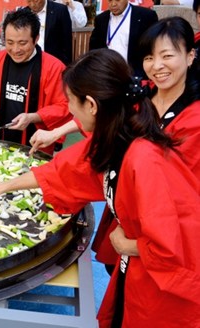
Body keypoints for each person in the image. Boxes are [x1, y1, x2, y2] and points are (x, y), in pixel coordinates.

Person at [0, 48, 200, 328]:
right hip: (141, 272)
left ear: (91, 104)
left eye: (69, 101)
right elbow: (63, 171)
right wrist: (0, 187)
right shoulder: (118, 137)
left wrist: (126, 244)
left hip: (170, 294)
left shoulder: (143, 157)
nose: (69, 109)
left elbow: (174, 245)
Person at [92, 16, 200, 274]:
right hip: (125, 217)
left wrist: (135, 245)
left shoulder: (194, 118)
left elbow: (182, 200)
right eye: (149, 57)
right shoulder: (142, 98)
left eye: (167, 56)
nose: (157, 66)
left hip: (159, 237)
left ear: (190, 56)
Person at [0, 8, 71, 153]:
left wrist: (32, 117)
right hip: (1, 138)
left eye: (22, 43)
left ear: (36, 38)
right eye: (10, 42)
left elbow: (64, 105)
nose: (15, 49)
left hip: (36, 143)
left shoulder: (54, 68)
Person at [89, 0, 158, 77]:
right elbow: (94, 48)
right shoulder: (101, 19)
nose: (113, 4)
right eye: (110, 0)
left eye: (118, 0)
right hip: (108, 74)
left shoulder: (146, 16)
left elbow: (154, 45)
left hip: (136, 76)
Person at [26, 0, 73, 65]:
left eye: (36, 1)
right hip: (30, 63)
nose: (33, 4)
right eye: (29, 1)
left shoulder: (60, 10)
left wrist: (67, 66)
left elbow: (67, 42)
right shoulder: (24, 13)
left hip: (53, 63)